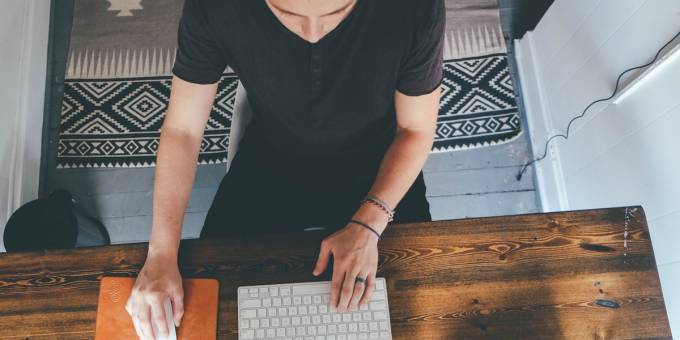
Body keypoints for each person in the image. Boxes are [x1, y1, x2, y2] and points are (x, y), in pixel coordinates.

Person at [125, 0, 444, 338]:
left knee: (413, 315)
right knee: (210, 302)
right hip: (273, 158)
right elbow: (182, 131)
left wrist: (370, 223)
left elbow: (416, 130)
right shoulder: (215, 7)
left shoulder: (414, 7)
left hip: (379, 168)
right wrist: (160, 253)